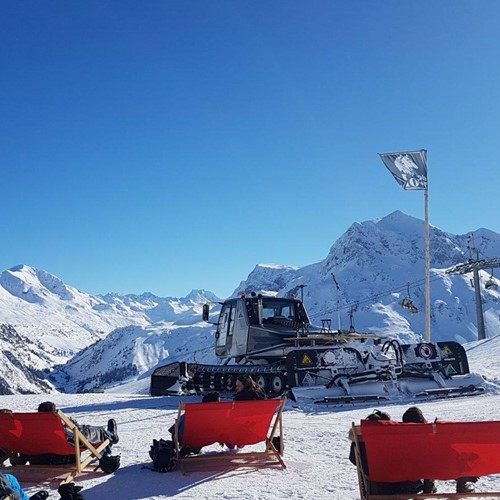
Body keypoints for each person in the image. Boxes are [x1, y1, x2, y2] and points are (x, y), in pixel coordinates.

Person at [402, 406, 478, 494]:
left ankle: (428, 487)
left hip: (416, 471)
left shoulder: (401, 438)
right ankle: (462, 483)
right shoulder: (434, 434)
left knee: (423, 463)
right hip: (442, 469)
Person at [27, 401, 118, 466]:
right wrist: (72, 426)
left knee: (84, 429)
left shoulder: (32, 430)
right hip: (64, 458)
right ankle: (110, 435)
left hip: (39, 460)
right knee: (91, 433)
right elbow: (76, 438)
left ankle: (107, 441)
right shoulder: (56, 429)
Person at [348, 409, 401, 496]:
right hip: (400, 483)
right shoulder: (398, 439)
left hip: (373, 485)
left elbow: (353, 459)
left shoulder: (360, 440)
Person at [169, 391, 221, 456]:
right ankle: (193, 448)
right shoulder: (220, 416)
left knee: (181, 424)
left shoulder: (193, 413)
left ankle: (190, 447)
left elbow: (177, 427)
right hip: (208, 437)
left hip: (188, 438)